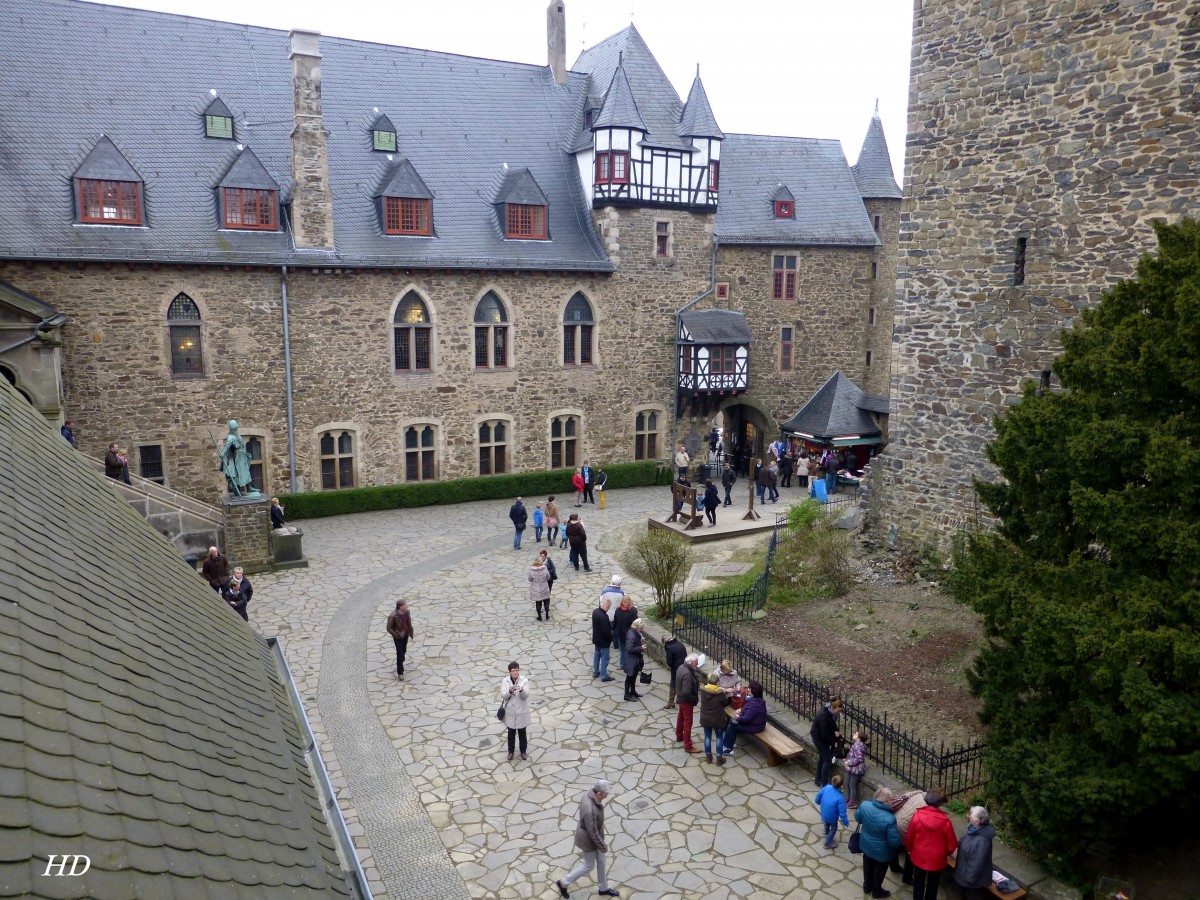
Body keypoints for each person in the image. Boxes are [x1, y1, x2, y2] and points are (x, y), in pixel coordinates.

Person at [555, 780, 620, 899]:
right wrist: (603, 846)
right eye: (606, 793)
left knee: (601, 860)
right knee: (589, 866)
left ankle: (603, 888)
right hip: (588, 841)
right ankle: (563, 883)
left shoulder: (588, 794)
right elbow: (593, 833)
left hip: (592, 837)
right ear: (599, 793)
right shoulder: (591, 810)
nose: (607, 795)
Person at [905, 791, 958, 900]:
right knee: (933, 884)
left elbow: (910, 835)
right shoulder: (946, 821)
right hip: (937, 859)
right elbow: (952, 844)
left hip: (919, 855)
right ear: (939, 803)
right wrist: (946, 853)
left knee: (918, 881)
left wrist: (909, 849)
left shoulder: (917, 816)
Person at [856, 786, 903, 899]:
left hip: (866, 845)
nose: (891, 802)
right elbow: (894, 842)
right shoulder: (889, 818)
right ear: (886, 801)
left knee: (867, 865)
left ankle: (867, 886)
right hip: (882, 852)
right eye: (890, 800)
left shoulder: (865, 806)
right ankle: (876, 891)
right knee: (879, 870)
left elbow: (858, 819)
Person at [953, 806, 995, 900]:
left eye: (971, 816)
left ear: (979, 821)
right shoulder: (973, 829)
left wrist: (969, 880)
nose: (969, 816)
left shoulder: (982, 840)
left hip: (972, 882)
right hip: (965, 875)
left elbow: (977, 863)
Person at [721, 679, 766, 756]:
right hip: (757, 724)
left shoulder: (754, 704)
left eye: (749, 689)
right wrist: (741, 710)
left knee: (732, 724)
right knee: (733, 722)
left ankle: (728, 749)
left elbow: (746, 719)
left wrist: (738, 717)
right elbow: (749, 711)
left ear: (753, 692)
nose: (747, 690)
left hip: (755, 727)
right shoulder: (758, 700)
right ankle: (731, 742)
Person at [499, 661, 531, 762]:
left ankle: (523, 751)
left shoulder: (524, 680)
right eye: (513, 670)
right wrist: (509, 691)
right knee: (511, 733)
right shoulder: (505, 681)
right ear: (510, 672)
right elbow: (503, 696)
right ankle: (511, 751)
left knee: (522, 732)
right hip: (510, 712)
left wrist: (521, 690)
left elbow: (526, 696)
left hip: (521, 711)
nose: (516, 672)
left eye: (517, 670)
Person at [810, 698, 843, 787]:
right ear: (834, 708)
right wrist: (833, 743)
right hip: (819, 738)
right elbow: (824, 734)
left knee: (822, 757)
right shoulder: (824, 716)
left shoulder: (829, 712)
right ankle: (824, 784)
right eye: (838, 711)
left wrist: (835, 731)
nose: (839, 713)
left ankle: (818, 779)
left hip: (822, 737)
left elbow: (832, 724)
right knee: (827, 761)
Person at [698, 671, 730, 765]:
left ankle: (708, 757)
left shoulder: (703, 691)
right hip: (717, 719)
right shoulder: (720, 694)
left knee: (707, 736)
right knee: (719, 737)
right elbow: (725, 702)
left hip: (705, 718)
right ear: (717, 683)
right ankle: (719, 758)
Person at [221, 420, 257, 496]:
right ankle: (237, 490)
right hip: (239, 457)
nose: (237, 428)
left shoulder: (236, 434)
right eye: (235, 427)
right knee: (239, 474)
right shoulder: (231, 436)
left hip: (242, 455)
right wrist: (223, 453)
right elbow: (227, 446)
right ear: (233, 428)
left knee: (246, 472)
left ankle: (249, 487)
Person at [674, 654, 702, 753]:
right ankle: (688, 746)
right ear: (691, 662)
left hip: (681, 699)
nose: (697, 664)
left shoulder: (681, 667)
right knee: (687, 722)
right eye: (696, 662)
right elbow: (687, 692)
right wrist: (693, 700)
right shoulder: (687, 674)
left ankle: (679, 736)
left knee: (680, 718)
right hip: (686, 701)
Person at [816, 775, 850, 849]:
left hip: (824, 813)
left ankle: (826, 830)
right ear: (841, 785)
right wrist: (845, 822)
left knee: (826, 822)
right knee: (834, 828)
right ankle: (827, 843)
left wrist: (817, 801)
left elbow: (818, 796)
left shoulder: (826, 787)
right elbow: (842, 812)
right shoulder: (840, 797)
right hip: (832, 817)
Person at [386, 600, 414, 680]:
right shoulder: (393, 616)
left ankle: (402, 657)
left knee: (404, 650)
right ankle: (400, 672)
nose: (407, 606)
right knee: (399, 653)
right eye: (405, 605)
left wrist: (410, 631)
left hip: (405, 634)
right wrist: (396, 635)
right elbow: (389, 628)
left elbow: (408, 622)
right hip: (398, 636)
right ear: (400, 606)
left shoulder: (407, 612)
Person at [621, 618, 646, 701]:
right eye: (641, 628)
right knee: (629, 677)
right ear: (637, 627)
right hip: (631, 660)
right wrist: (640, 648)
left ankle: (632, 691)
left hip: (634, 659)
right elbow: (629, 648)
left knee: (634, 676)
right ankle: (626, 695)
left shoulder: (634, 632)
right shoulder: (632, 635)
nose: (642, 630)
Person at [612, 595, 638, 670]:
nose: (625, 604)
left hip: (629, 635)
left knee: (629, 650)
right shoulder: (618, 610)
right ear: (622, 602)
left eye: (627, 602)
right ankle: (622, 664)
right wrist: (612, 628)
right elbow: (615, 621)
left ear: (629, 602)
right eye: (624, 602)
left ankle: (630, 665)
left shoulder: (632, 611)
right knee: (622, 650)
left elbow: (635, 623)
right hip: (620, 634)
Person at [844, 730, 869, 808]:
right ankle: (848, 798)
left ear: (858, 739)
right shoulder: (856, 744)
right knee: (846, 782)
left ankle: (853, 802)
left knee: (852, 784)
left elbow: (859, 759)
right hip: (852, 768)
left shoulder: (858, 746)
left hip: (856, 769)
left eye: (855, 734)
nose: (853, 734)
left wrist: (849, 762)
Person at [662, 635, 687, 709]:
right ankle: (680, 699)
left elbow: (669, 661)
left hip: (676, 668)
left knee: (673, 683)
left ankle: (671, 702)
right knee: (682, 682)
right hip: (684, 666)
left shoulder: (669, 647)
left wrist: (672, 666)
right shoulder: (680, 644)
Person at [592, 598, 614, 681]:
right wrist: (611, 638)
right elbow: (606, 631)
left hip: (596, 639)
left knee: (597, 655)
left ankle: (596, 671)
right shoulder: (603, 617)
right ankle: (604, 675)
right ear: (604, 605)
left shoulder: (595, 612)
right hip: (604, 641)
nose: (608, 609)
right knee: (605, 658)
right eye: (608, 607)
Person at [529, 554, 552, 621]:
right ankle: (547, 615)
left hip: (536, 588)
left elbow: (529, 579)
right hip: (544, 586)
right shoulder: (544, 568)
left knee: (538, 603)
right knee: (546, 601)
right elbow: (548, 577)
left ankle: (539, 616)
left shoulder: (531, 570)